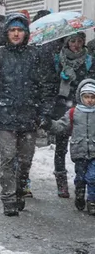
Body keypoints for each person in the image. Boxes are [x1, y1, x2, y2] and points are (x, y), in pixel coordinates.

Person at [0, 13, 55, 216]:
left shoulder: (35, 56)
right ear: (6, 32)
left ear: (26, 33)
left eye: (19, 30)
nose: (15, 34)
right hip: (5, 115)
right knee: (7, 158)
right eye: (12, 30)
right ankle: (9, 198)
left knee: (25, 160)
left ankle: (21, 190)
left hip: (29, 116)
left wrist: (45, 113)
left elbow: (46, 86)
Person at [50, 32, 95, 198]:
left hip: (84, 105)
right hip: (63, 105)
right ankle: (61, 180)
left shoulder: (89, 60)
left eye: (79, 41)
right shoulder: (58, 59)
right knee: (61, 145)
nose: (76, 44)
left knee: (85, 145)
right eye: (72, 41)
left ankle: (84, 179)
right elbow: (51, 82)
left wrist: (84, 80)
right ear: (67, 42)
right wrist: (60, 77)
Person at [47, 79, 95, 214]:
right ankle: (79, 193)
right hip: (79, 152)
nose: (90, 100)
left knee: (93, 177)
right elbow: (61, 126)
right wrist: (49, 124)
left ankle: (92, 201)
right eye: (87, 97)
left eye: (92, 97)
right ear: (81, 97)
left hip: (94, 152)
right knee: (80, 177)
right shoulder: (74, 112)